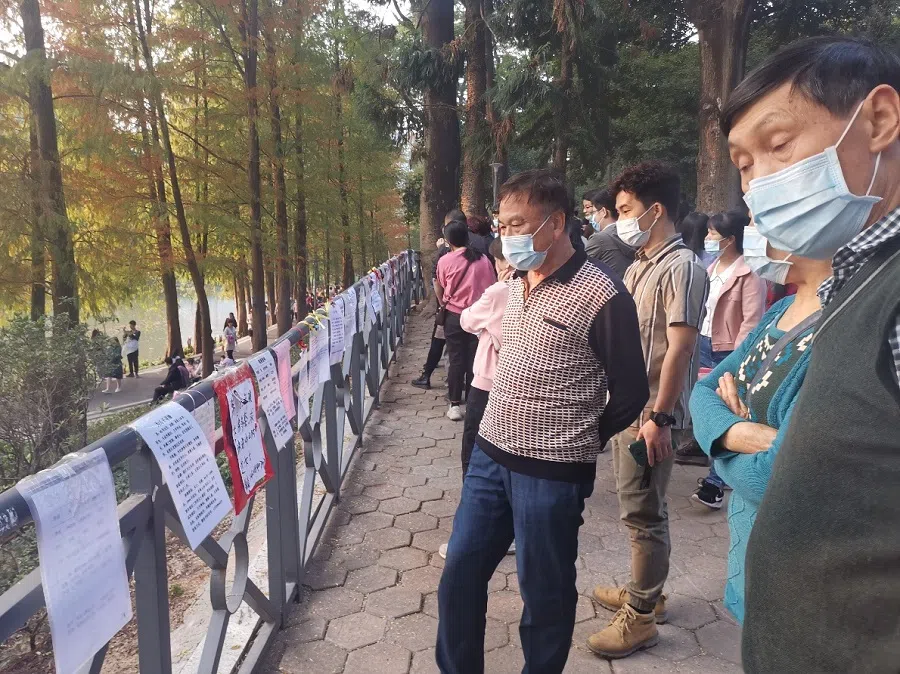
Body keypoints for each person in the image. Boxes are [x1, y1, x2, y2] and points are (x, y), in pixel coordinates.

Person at [720, 36, 900, 672]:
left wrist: (732, 435)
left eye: (778, 146)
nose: (760, 184)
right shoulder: (854, 276)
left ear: (878, 120)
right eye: (744, 165)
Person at [437, 170, 648, 674]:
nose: (506, 235)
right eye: (502, 224)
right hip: (490, 458)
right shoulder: (514, 281)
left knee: (545, 592)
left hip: (550, 474)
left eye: (517, 224)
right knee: (460, 576)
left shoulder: (602, 296)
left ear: (555, 224)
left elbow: (633, 390)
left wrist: (581, 439)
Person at [587, 161, 709, 659]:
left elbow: (679, 349)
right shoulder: (640, 265)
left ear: (655, 209)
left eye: (625, 211)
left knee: (644, 510)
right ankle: (648, 593)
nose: (618, 221)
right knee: (635, 506)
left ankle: (640, 616)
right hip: (629, 408)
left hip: (651, 416)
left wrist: (660, 418)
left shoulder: (682, 267)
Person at [690, 228, 829, 623]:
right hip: (748, 546)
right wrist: (737, 433)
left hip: (801, 570)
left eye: (761, 215)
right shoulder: (780, 310)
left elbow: (778, 477)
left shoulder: (843, 326)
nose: (753, 229)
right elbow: (703, 393)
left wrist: (716, 444)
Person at [676, 211, 767, 508]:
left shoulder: (749, 274)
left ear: (730, 239)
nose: (707, 239)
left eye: (713, 234)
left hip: (727, 351)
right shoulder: (709, 266)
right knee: (701, 407)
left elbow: (751, 323)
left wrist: (740, 362)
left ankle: (716, 482)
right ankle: (714, 470)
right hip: (702, 344)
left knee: (724, 412)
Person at [438, 236, 512, 561]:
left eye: (499, 262)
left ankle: (472, 535)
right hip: (518, 388)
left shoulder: (501, 292)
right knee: (510, 457)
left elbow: (468, 320)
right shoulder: (543, 289)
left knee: (476, 456)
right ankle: (509, 529)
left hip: (488, 383)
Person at [435, 219, 496, 421]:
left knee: (456, 360)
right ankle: (472, 402)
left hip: (454, 315)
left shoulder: (445, 260)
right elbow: (491, 286)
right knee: (474, 360)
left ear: (448, 239)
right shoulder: (483, 259)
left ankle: (454, 404)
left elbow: (441, 286)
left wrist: (443, 300)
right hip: (478, 316)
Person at [585, 188, 637, 278]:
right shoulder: (633, 234)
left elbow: (581, 270)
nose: (593, 217)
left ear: (604, 212)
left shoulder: (599, 239)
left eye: (594, 212)